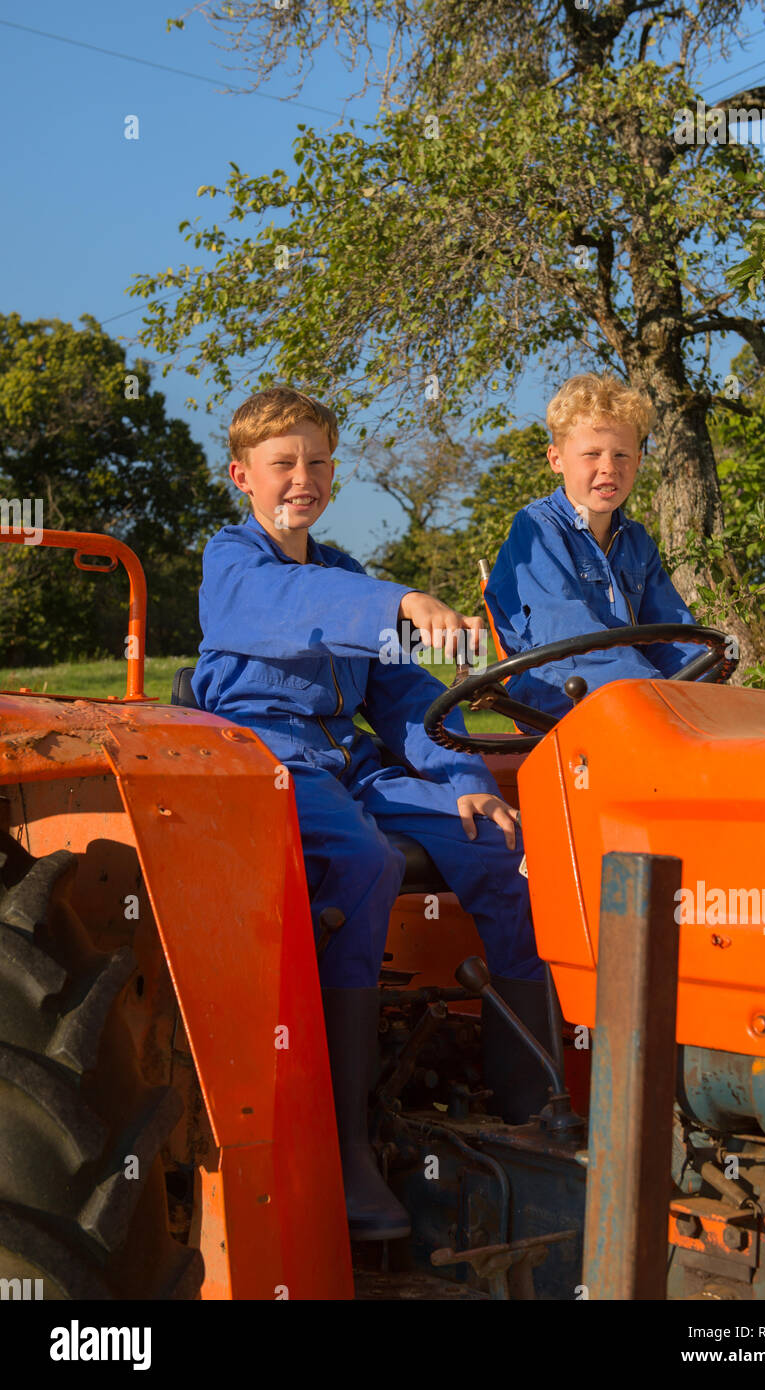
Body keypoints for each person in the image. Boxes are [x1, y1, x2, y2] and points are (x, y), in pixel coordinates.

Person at [192, 386, 550, 1242]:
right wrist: (398, 603)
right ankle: (346, 1147)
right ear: (244, 475)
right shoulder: (233, 562)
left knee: (496, 844)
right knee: (366, 861)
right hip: (263, 753)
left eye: (317, 462)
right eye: (283, 464)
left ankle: (537, 1104)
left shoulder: (344, 571)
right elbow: (287, 610)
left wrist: (461, 773)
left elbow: (399, 693)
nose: (302, 478)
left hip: (343, 756)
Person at [483, 372, 704, 719]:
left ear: (639, 461)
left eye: (622, 455)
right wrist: (654, 693)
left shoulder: (636, 541)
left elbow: (673, 633)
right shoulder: (537, 529)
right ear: (556, 460)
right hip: (557, 696)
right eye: (592, 454)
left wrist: (702, 688)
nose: (608, 468)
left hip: (631, 693)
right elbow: (564, 635)